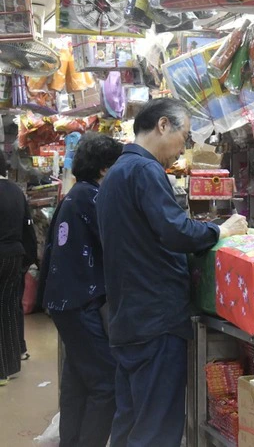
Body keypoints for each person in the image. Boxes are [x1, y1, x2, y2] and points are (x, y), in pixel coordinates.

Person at [96, 98, 248, 447]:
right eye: (185, 135)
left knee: (130, 419)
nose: (184, 147)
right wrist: (221, 231)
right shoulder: (145, 171)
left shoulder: (117, 174)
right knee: (156, 428)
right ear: (163, 125)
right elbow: (175, 231)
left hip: (128, 317)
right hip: (156, 319)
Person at [40, 133, 122, 447]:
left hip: (64, 300)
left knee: (77, 379)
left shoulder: (75, 196)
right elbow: (117, 244)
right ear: (104, 169)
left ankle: (70, 441)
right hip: (80, 301)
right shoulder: (95, 198)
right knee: (105, 383)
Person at [0, 150, 37, 386]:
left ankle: (1, 370)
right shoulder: (15, 191)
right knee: (10, 307)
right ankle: (15, 358)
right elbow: (28, 228)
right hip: (14, 255)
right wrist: (29, 259)